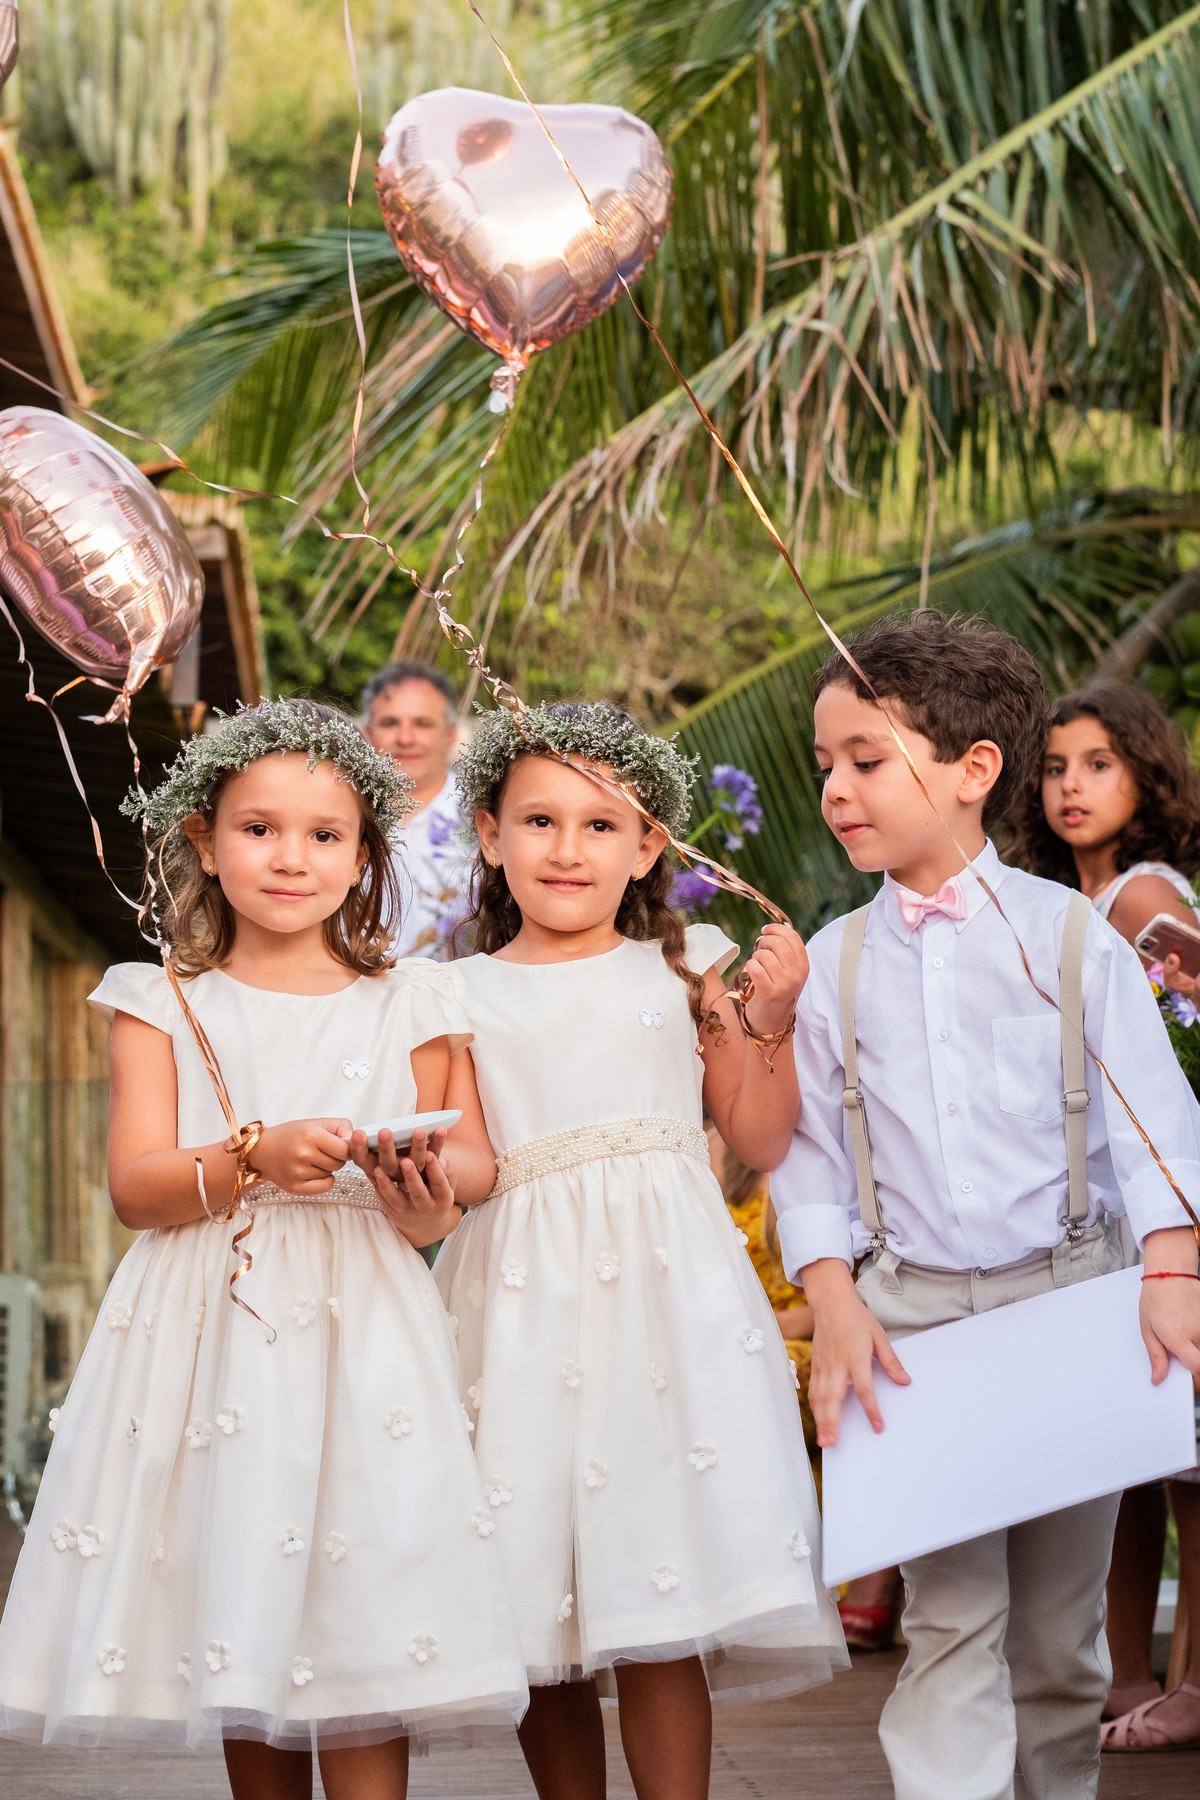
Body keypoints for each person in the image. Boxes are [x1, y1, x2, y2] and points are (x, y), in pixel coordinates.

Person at [0, 699, 527, 1800]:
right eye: (259, 829)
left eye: (324, 835)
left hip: (367, 1328)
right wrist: (252, 1153)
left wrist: (420, 1184)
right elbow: (137, 1189)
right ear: (203, 836)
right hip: (213, 1332)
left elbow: (469, 1164)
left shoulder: (417, 1000)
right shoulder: (158, 999)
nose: (292, 858)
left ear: (364, 853)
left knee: (365, 1594)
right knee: (248, 1584)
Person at [383, 700, 846, 1800]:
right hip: (524, 1302)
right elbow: (476, 1163)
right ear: (489, 833)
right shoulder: (451, 990)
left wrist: (771, 1018)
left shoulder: (694, 968)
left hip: (668, 1305)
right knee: (536, 1580)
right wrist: (413, 1181)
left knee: (659, 1584)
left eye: (602, 826)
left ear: (648, 846)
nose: (568, 848)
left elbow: (760, 1136)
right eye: (538, 821)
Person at [772, 612, 1200, 1800]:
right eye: (826, 767)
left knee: (1061, 1645)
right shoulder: (837, 961)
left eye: (867, 759)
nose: (838, 791)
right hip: (912, 1332)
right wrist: (833, 1297)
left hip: (1076, 1309)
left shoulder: (1074, 938)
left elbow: (1157, 1122)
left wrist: (1170, 1276)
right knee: (949, 1620)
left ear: (973, 772)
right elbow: (807, 1154)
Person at [1008, 678, 1200, 1751]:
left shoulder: (1137, 896)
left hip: (1166, 1195)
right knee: (1129, 1455)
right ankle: (1121, 1676)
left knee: (1182, 1463)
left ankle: (1184, 1686)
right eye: (1056, 766)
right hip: (1110, 1199)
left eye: (1100, 765)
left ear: (1145, 775)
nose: (1072, 786)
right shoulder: (1063, 897)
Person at [362, 661, 472, 958]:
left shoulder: (484, 817)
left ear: (450, 735)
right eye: (389, 723)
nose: (406, 738)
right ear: (367, 734)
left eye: (422, 724)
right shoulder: (340, 819)